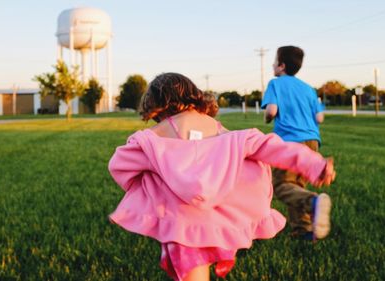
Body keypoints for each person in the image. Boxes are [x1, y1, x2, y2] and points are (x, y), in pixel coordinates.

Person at [108, 72, 335, 280]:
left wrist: (149, 185)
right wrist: (315, 165)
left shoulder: (153, 139)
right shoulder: (228, 136)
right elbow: (273, 148)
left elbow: (119, 165)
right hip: (218, 223)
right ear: (193, 95)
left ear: (157, 104)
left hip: (180, 224)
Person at [261, 45, 330, 240]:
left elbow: (272, 111)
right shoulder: (309, 89)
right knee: (296, 185)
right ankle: (304, 231)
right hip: (312, 141)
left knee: (282, 185)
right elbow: (320, 118)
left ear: (281, 66)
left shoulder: (276, 84)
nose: (273, 65)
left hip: (289, 142)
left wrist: (267, 119)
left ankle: (313, 202)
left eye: (274, 62)